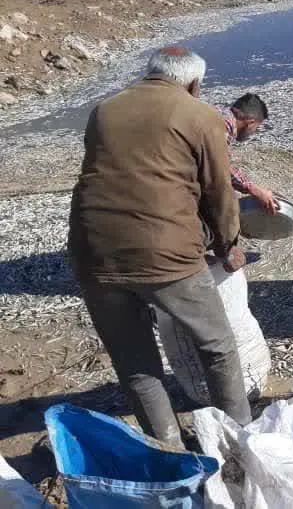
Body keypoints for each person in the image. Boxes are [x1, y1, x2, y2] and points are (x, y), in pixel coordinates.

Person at [68, 47, 252, 448]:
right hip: (165, 253)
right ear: (194, 84)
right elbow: (219, 192)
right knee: (217, 346)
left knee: (136, 364)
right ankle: (236, 442)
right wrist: (229, 246)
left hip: (93, 251)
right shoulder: (200, 115)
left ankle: (168, 449)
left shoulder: (105, 109)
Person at [219, 93, 279, 215]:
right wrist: (253, 189)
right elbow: (220, 166)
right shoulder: (224, 124)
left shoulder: (217, 112)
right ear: (250, 122)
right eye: (255, 128)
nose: (252, 133)